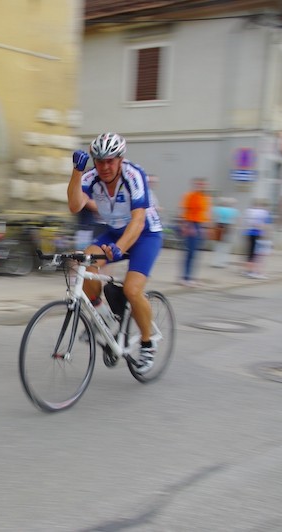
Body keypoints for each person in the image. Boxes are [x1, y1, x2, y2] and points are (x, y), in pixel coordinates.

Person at [67, 132, 163, 372]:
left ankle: (147, 343)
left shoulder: (133, 174)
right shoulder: (92, 176)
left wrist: (120, 249)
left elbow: (139, 220)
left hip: (145, 235)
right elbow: (75, 205)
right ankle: (105, 321)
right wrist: (77, 173)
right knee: (85, 262)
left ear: (121, 159)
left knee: (132, 289)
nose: (105, 166)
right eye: (100, 161)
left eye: (111, 160)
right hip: (114, 232)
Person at [178, 177, 211, 286]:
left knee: (195, 254)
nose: (200, 186)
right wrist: (187, 226)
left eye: (202, 185)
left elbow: (205, 213)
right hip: (191, 224)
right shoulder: (190, 196)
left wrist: (205, 227)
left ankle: (191, 276)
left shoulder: (205, 197)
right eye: (198, 184)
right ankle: (185, 277)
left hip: (200, 225)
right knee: (190, 252)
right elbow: (185, 211)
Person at [241, 199, 271, 279]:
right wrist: (265, 235)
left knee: (250, 252)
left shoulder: (249, 212)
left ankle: (247, 270)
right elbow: (265, 225)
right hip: (258, 234)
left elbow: (245, 222)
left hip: (248, 232)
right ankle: (253, 272)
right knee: (257, 253)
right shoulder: (264, 213)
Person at [210, 197, 240, 268]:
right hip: (229, 228)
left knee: (218, 246)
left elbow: (213, 215)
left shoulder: (217, 209)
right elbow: (237, 221)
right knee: (226, 247)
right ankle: (223, 262)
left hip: (219, 226)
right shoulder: (234, 211)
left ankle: (216, 262)